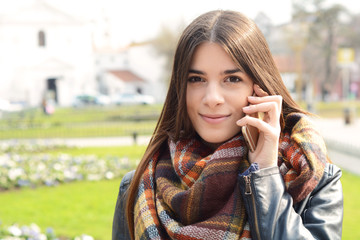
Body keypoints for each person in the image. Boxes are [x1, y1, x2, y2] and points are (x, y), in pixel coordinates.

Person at [112, 10, 343, 240]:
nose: (212, 98)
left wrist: (264, 175)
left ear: (259, 88)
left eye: (232, 79)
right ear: (180, 89)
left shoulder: (313, 179)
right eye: (196, 79)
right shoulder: (138, 186)